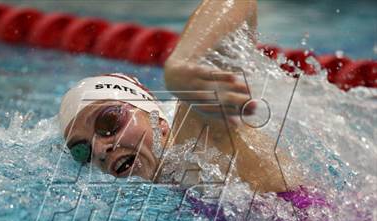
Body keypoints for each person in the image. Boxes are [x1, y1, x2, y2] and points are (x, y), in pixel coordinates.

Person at [59, 0, 301, 194]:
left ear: (159, 121)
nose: (100, 150)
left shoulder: (195, 137)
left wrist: (182, 65)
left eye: (108, 122)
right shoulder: (168, 181)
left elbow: (240, 2)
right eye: (82, 151)